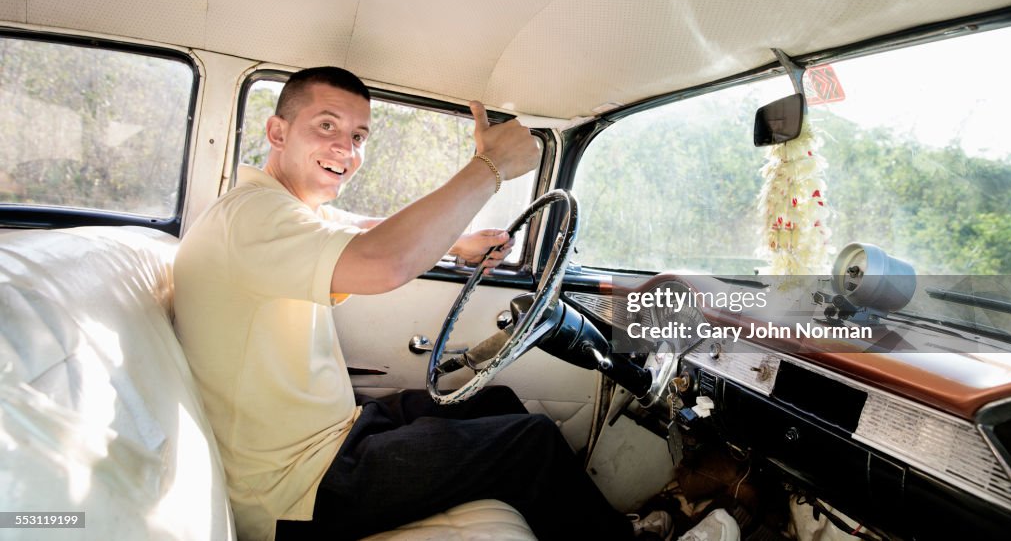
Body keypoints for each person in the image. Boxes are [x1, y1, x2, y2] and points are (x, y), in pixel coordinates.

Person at [173, 66, 661, 541]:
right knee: (529, 443)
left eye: (359, 136)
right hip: (296, 488)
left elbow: (359, 226)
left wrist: (459, 242)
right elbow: (383, 261)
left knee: (494, 399)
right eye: (326, 126)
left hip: (334, 432)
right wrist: (490, 168)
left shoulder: (285, 209)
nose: (345, 148)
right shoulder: (253, 218)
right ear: (277, 132)